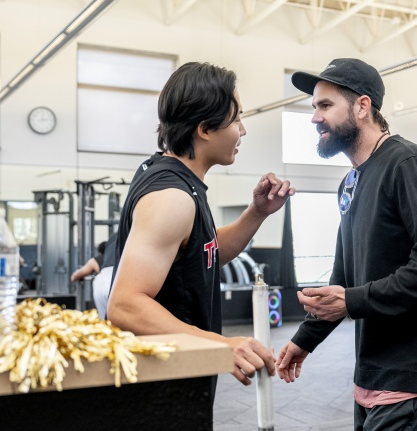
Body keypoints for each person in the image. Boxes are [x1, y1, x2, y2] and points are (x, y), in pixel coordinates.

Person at [275, 58, 417, 431]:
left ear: (362, 107)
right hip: (372, 375)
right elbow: (344, 276)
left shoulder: (409, 164)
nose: (315, 117)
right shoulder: (351, 181)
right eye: (314, 107)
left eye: (325, 105)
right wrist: (305, 338)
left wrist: (353, 301)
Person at [106, 62, 295, 426]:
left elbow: (203, 253)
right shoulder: (172, 198)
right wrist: (222, 345)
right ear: (205, 129)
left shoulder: (178, 181)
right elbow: (125, 305)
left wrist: (256, 213)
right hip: (158, 399)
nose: (243, 130)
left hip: (179, 387)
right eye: (236, 119)